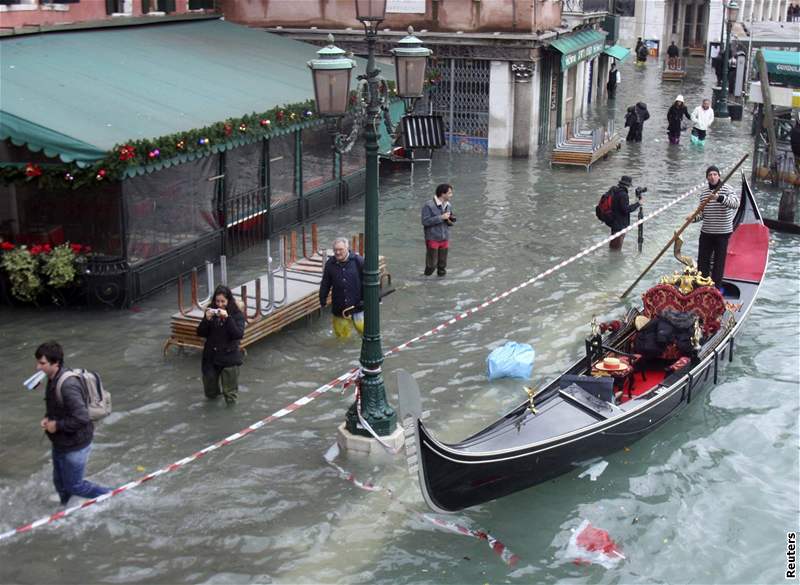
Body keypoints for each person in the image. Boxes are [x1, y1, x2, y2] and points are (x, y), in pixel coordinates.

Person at [35, 341, 110, 506]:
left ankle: (111, 495)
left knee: (75, 485)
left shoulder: (68, 386)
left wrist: (57, 426)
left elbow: (82, 417)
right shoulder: (51, 378)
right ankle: (66, 509)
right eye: (38, 362)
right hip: (60, 442)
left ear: (55, 363)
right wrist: (48, 418)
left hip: (76, 444)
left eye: (42, 363)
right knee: (59, 482)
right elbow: (56, 406)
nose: (37, 367)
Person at [197, 285, 245, 405]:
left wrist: (228, 318)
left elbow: (238, 334)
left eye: (223, 301)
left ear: (228, 301)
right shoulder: (210, 311)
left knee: (230, 394)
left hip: (229, 357)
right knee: (210, 391)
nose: (219, 304)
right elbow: (200, 333)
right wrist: (206, 320)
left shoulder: (237, 314)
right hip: (211, 356)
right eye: (217, 301)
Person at [694, 165, 740, 289]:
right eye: (710, 175)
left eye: (715, 174)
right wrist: (693, 218)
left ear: (719, 176)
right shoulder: (704, 194)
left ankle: (715, 289)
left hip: (722, 233)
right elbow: (702, 214)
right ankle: (701, 288)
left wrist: (718, 197)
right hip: (706, 233)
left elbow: (735, 204)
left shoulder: (727, 189)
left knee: (719, 264)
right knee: (702, 262)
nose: (712, 177)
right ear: (707, 178)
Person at [319, 237, 365, 338]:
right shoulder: (330, 264)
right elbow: (325, 283)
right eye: (335, 250)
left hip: (358, 306)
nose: (338, 252)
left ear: (347, 248)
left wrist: (370, 299)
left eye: (341, 250)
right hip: (340, 308)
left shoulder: (358, 261)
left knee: (365, 334)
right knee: (341, 338)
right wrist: (322, 299)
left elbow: (369, 281)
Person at [421, 183, 455, 277]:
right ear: (442, 194)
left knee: (442, 265)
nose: (451, 195)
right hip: (433, 238)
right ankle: (425, 280)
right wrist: (441, 217)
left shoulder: (448, 205)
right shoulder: (428, 205)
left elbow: (448, 217)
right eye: (449, 193)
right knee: (431, 265)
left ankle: (440, 283)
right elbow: (425, 221)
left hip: (445, 238)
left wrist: (451, 218)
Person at [608, 176, 642, 250]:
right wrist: (638, 204)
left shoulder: (616, 191)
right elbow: (625, 210)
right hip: (620, 225)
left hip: (615, 223)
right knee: (616, 248)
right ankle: (615, 260)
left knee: (613, 245)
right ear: (628, 185)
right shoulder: (623, 195)